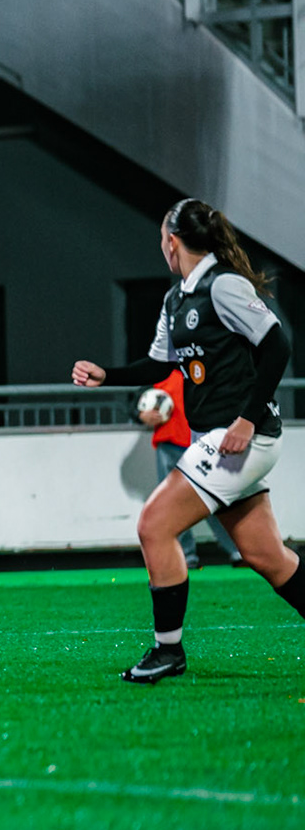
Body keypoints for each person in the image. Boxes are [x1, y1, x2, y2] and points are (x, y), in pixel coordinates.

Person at [72, 197, 304, 684]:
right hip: (223, 439)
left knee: (154, 524)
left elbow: (277, 343)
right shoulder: (177, 298)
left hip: (240, 439)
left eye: (162, 238)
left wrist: (246, 420)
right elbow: (162, 364)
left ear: (172, 242)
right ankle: (168, 651)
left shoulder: (224, 285)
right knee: (267, 556)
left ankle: (168, 651)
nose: (162, 246)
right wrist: (107, 374)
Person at [139, 368, 241, 570]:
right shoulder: (161, 371)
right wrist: (142, 414)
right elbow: (137, 401)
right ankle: (186, 556)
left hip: (204, 444)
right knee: (173, 503)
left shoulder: (206, 369)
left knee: (213, 498)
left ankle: (237, 550)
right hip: (170, 445)